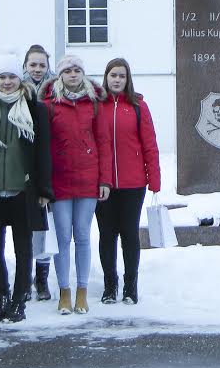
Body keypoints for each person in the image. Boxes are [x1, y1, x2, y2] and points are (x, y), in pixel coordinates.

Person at [0, 57, 53, 323]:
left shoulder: (35, 108)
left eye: (12, 78)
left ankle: (19, 301)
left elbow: (43, 152)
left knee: (23, 250)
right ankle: (2, 297)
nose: (7, 83)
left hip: (24, 189)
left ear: (20, 80)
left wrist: (44, 189)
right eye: (2, 78)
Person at [40, 56, 113, 316]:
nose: (72, 75)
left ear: (83, 73)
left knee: (82, 235)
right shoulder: (49, 105)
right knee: (62, 238)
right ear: (60, 75)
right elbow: (43, 147)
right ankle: (64, 292)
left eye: (77, 70)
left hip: (87, 179)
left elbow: (104, 143)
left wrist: (104, 179)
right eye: (68, 71)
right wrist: (43, 184)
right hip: (59, 181)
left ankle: (81, 291)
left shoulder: (94, 104)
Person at [96, 58, 161, 305]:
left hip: (133, 182)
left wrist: (154, 178)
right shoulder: (96, 106)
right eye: (113, 75)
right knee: (106, 234)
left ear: (128, 79)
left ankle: (130, 285)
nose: (117, 80)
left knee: (129, 234)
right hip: (103, 183)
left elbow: (150, 144)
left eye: (121, 76)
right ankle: (109, 285)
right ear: (106, 77)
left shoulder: (137, 106)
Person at [22, 44, 56, 302]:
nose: (37, 69)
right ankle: (24, 277)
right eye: (32, 64)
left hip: (53, 165)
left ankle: (42, 277)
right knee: (26, 227)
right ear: (25, 66)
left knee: (46, 227)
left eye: (41, 65)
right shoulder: (15, 89)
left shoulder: (57, 91)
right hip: (23, 169)